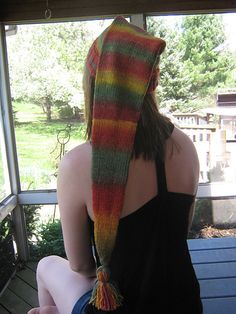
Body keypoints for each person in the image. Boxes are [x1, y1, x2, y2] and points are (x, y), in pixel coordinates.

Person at [28, 16, 202, 314]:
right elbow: (176, 234)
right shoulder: (184, 146)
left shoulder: (78, 164)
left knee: (46, 267)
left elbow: (82, 266)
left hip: (119, 306)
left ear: (96, 85)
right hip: (183, 303)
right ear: (152, 79)